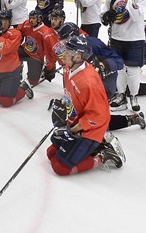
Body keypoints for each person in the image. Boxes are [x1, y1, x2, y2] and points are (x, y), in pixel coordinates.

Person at [46, 35, 126, 176]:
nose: (63, 54)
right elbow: (71, 95)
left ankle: (103, 154)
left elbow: (98, 116)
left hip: (92, 128)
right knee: (50, 153)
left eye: (67, 51)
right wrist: (64, 109)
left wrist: (72, 130)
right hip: (77, 120)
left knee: (60, 167)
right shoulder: (67, 67)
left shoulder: (88, 83)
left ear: (78, 57)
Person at [57, 22, 146, 130]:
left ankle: (132, 119)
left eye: (64, 42)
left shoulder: (93, 44)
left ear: (73, 37)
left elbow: (118, 62)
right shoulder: (70, 51)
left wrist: (103, 66)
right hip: (86, 83)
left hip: (104, 81)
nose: (63, 48)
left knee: (92, 121)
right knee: (81, 118)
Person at [102, 0, 146, 112]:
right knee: (120, 69)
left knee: (133, 70)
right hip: (117, 38)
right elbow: (104, 13)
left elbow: (137, 15)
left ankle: (133, 96)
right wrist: (105, 16)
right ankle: (121, 95)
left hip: (134, 39)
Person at [0, 10, 33, 107]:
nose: (2, 24)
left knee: (5, 101)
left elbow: (4, 49)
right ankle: (5, 89)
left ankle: (23, 88)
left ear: (10, 22)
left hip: (10, 72)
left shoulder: (16, 34)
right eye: (0, 20)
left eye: (5, 21)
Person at [16, 10, 57, 86]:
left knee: (33, 82)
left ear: (39, 19)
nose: (31, 20)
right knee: (12, 53)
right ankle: (17, 68)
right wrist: (19, 36)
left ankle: (39, 71)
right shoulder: (27, 24)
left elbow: (50, 51)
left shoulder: (46, 32)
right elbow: (18, 30)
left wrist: (50, 67)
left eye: (33, 18)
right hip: (25, 50)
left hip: (36, 58)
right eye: (30, 18)